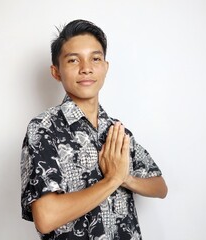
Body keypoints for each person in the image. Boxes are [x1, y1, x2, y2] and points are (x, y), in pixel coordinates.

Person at [20, 19, 168, 240]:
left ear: (105, 67)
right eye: (73, 60)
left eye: (95, 58)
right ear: (56, 71)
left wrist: (125, 178)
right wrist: (111, 181)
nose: (86, 68)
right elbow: (46, 217)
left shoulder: (116, 131)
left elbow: (160, 187)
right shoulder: (44, 128)